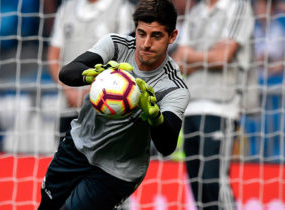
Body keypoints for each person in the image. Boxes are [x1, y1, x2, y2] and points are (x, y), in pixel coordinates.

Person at [38, 0, 190, 209]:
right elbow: (67, 73)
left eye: (156, 36)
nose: (146, 43)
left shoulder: (174, 86)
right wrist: (95, 74)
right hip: (77, 147)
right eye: (141, 33)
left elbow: (167, 146)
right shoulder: (116, 44)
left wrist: (155, 118)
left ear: (172, 36)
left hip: (117, 169)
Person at [173, 0, 254, 209]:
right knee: (197, 184)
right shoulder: (195, 12)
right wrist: (208, 55)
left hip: (221, 105)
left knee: (214, 181)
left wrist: (194, 57)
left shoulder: (237, 7)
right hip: (191, 105)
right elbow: (180, 61)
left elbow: (223, 56)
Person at [47, 0, 135, 142]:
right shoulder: (67, 8)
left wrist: (88, 93)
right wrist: (67, 89)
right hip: (69, 104)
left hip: (107, 105)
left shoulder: (121, 8)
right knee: (65, 158)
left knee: (101, 160)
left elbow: (125, 58)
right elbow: (53, 55)